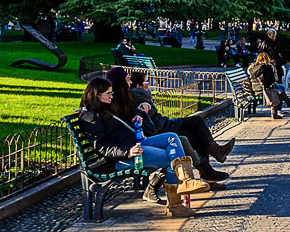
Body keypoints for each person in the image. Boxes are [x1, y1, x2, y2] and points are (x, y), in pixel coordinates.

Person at [78, 77, 209, 218]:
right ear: (97, 94)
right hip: (124, 158)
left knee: (172, 137)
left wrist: (137, 116)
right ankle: (175, 205)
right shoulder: (90, 116)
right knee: (172, 158)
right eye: (108, 94)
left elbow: (123, 123)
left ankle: (186, 181)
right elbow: (101, 146)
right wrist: (127, 152)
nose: (111, 96)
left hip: (136, 145)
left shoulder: (105, 108)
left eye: (111, 93)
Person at [128, 70, 234, 183]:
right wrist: (141, 108)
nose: (149, 84)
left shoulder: (140, 94)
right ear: (139, 85)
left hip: (163, 126)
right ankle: (211, 165)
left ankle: (210, 167)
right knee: (194, 131)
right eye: (146, 81)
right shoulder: (138, 95)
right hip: (161, 130)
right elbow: (144, 118)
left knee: (195, 132)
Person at [248, 52, 290, 120]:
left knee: (280, 87)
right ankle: (279, 109)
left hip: (255, 89)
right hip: (263, 89)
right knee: (278, 90)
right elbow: (272, 80)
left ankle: (286, 103)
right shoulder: (267, 67)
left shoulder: (252, 67)